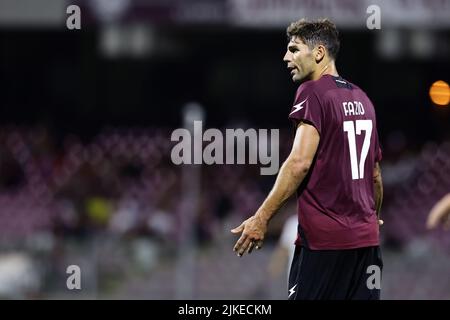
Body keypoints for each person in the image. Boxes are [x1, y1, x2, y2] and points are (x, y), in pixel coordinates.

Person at [231, 18, 384, 300]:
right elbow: (374, 174)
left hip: (325, 245)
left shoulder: (312, 92)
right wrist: (373, 216)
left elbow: (299, 162)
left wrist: (261, 218)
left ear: (319, 53)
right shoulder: (363, 99)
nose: (286, 57)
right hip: (366, 244)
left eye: (294, 49)